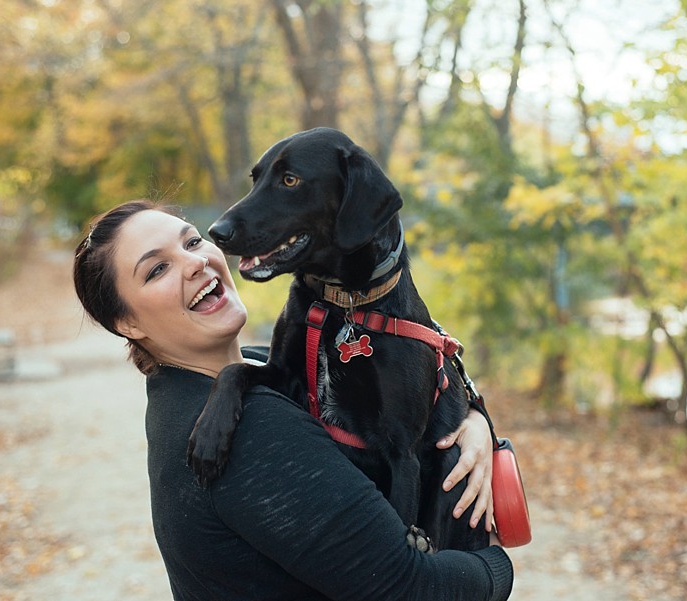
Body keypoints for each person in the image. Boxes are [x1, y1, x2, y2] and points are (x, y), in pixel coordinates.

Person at [73, 199, 513, 601]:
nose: (195, 263)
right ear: (126, 322)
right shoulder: (249, 432)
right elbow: (407, 588)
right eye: (157, 270)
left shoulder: (223, 383)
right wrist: (496, 564)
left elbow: (413, 379)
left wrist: (472, 419)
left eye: (191, 241)